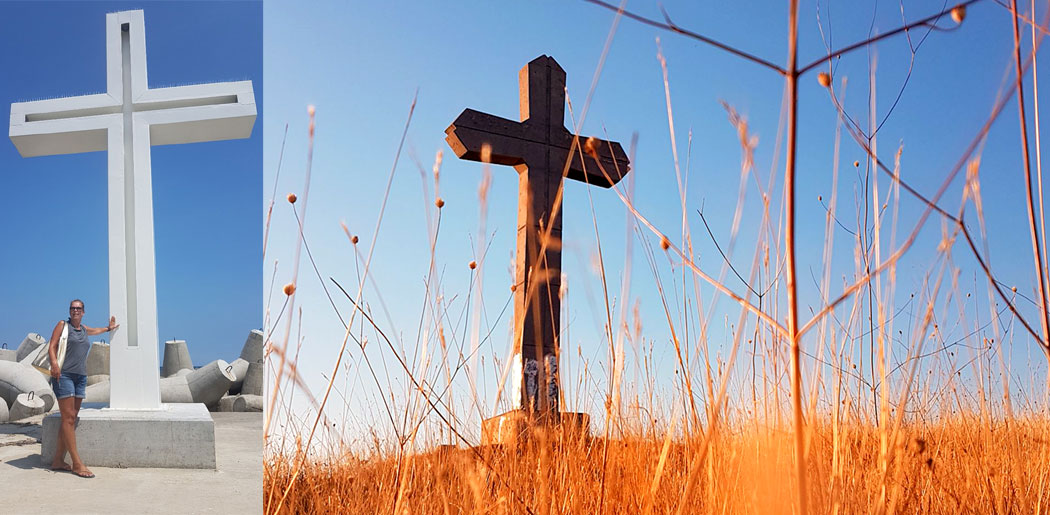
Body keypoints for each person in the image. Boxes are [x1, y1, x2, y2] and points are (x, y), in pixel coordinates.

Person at [48, 299, 118, 478]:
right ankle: (77, 463)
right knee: (69, 418)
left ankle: (57, 460)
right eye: (73, 308)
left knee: (70, 418)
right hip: (63, 375)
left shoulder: (85, 330)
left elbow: (95, 331)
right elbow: (52, 345)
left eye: (78, 308)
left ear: (83, 312)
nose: (75, 311)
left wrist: (108, 328)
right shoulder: (63, 325)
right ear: (70, 311)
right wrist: (55, 364)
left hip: (81, 377)